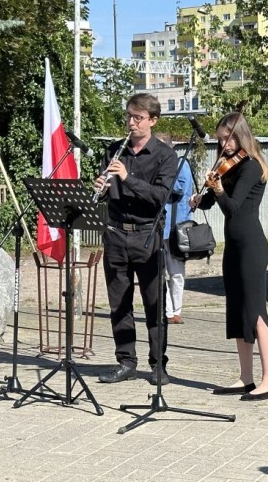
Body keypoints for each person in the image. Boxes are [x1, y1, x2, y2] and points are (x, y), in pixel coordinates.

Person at [190, 112, 268, 401]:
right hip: (234, 247)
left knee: (255, 312)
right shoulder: (229, 168)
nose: (225, 146)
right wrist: (200, 199)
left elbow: (233, 207)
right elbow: (212, 203)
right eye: (220, 141)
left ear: (241, 135)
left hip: (252, 246)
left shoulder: (251, 166)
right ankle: (246, 377)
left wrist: (217, 187)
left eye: (228, 139)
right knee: (238, 312)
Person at [94, 93, 178, 386]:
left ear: (153, 121)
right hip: (116, 233)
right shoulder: (115, 151)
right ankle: (126, 362)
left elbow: (160, 197)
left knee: (154, 304)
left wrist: (128, 178)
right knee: (119, 304)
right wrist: (102, 187)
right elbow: (107, 187)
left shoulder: (165, 156)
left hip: (147, 236)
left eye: (137, 118)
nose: (131, 122)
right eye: (129, 116)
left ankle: (158, 365)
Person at [155, 133, 194, 325]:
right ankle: (164, 310)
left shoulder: (181, 164)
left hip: (175, 227)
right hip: (157, 226)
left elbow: (179, 188)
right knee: (158, 271)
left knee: (176, 272)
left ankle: (174, 311)